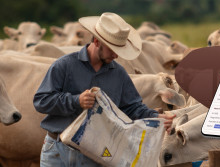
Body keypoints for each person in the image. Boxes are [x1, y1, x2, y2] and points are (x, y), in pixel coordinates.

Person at [33, 12, 175, 167]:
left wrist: (154, 116)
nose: (115, 55)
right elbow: (41, 101)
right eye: (112, 49)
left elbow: (132, 107)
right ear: (96, 41)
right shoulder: (64, 65)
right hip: (57, 151)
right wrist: (76, 100)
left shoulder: (119, 74)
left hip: (92, 153)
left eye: (119, 50)